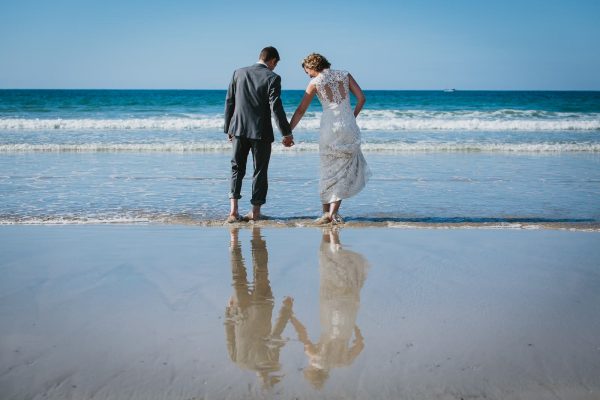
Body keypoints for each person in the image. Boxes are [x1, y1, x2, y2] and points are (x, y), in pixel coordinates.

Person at [290, 53, 371, 224]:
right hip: (348, 125)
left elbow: (300, 110)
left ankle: (326, 214)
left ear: (313, 67)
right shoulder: (344, 75)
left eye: (307, 71)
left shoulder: (315, 82)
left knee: (328, 170)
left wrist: (288, 131)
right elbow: (362, 99)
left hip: (330, 127)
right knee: (343, 170)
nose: (308, 75)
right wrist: (351, 116)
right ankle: (333, 213)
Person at [290, 229, 369, 389]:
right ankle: (332, 238)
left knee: (346, 285)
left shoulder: (344, 362)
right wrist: (291, 316)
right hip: (330, 312)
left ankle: (334, 242)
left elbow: (360, 344)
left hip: (348, 316)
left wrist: (355, 327)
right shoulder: (315, 357)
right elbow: (303, 334)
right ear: (312, 370)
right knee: (330, 276)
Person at [224, 46, 295, 223]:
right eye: (275, 64)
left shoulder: (238, 73)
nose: (274, 68)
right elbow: (276, 107)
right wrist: (286, 133)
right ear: (272, 60)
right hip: (261, 132)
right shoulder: (273, 78)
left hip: (238, 129)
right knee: (260, 171)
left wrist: (228, 128)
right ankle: (255, 212)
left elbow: (230, 101)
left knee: (236, 168)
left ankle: (233, 212)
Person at [224, 227, 294, 388]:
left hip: (261, 309)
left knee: (261, 273)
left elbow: (276, 334)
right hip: (241, 314)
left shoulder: (268, 361)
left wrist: (286, 310)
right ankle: (235, 241)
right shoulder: (238, 362)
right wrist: (228, 313)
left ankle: (256, 237)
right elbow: (229, 336)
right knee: (239, 278)